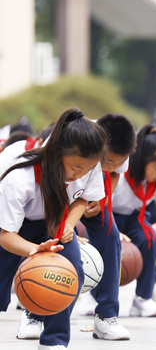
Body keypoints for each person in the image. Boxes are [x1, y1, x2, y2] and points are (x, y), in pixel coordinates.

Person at [0, 108, 107, 349]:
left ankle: (54, 341)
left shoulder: (89, 164)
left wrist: (69, 225)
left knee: (71, 273)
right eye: (76, 168)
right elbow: (6, 235)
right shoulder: (20, 177)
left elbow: (83, 199)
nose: (80, 174)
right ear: (56, 153)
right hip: (13, 226)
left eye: (86, 170)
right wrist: (35, 250)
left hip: (56, 219)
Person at [111, 124, 156, 318]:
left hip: (135, 216)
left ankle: (142, 299)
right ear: (143, 159)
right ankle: (94, 297)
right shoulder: (120, 169)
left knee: (150, 239)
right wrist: (113, 232)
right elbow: (101, 204)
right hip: (107, 215)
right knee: (108, 246)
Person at [77, 113, 136, 340]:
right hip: (58, 189)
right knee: (57, 241)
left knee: (111, 238)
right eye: (108, 161)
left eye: (118, 162)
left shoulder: (121, 149)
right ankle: (35, 314)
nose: (111, 166)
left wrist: (103, 199)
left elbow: (113, 175)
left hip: (93, 190)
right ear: (98, 145)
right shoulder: (76, 141)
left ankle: (106, 317)